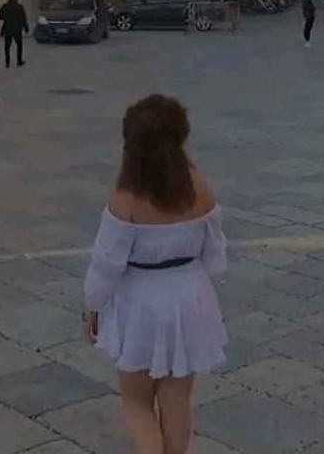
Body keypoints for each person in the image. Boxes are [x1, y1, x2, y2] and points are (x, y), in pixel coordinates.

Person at [84, 95, 227, 454]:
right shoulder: (201, 186)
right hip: (190, 296)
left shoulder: (126, 195)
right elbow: (216, 257)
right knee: (177, 403)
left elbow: (106, 265)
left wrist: (92, 306)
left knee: (136, 401)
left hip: (140, 302)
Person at [0, 0, 29, 68]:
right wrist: (26, 28)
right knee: (19, 45)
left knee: (7, 47)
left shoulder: (4, 6)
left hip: (7, 29)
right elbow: (23, 18)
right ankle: (19, 61)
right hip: (17, 30)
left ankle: (7, 63)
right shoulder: (20, 7)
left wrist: (7, 17)